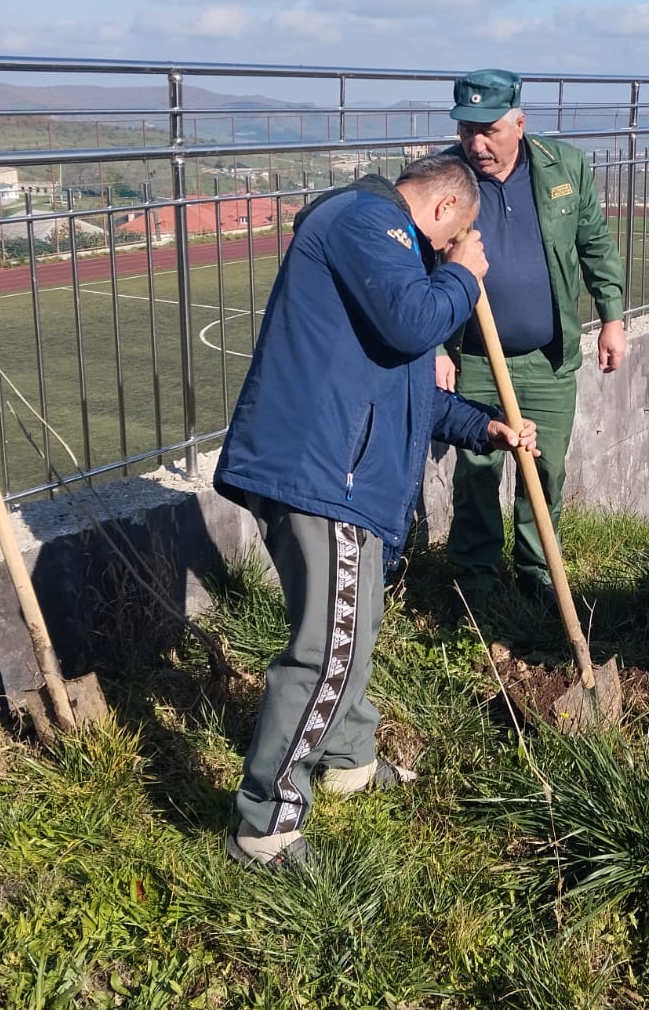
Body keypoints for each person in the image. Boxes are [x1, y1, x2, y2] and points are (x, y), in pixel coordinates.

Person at [214, 153, 539, 869]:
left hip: (342, 474)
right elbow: (411, 323)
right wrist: (464, 274)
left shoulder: (388, 249)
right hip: (321, 472)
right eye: (448, 240)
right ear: (444, 211)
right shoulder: (370, 220)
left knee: (351, 631)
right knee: (324, 648)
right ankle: (263, 826)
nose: (441, 255)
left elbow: (408, 390)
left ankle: (351, 760)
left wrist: (485, 426)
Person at [436, 69, 626, 606]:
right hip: (472, 356)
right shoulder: (443, 179)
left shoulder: (563, 167)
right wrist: (430, 347)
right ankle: (475, 580)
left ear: (519, 122)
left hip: (547, 358)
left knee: (545, 471)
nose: (477, 143)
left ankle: (537, 572)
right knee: (475, 473)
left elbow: (594, 241)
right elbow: (413, 265)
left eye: (489, 129)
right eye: (466, 129)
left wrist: (612, 315)